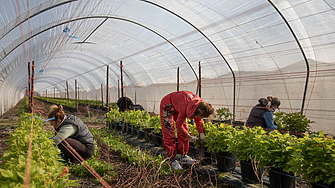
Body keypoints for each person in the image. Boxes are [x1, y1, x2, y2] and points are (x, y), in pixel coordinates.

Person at [160, 91, 214, 170]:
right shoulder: (185, 105)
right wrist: (189, 137)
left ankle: (183, 156)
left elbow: (198, 119)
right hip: (168, 105)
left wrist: (201, 134)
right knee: (169, 130)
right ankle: (172, 159)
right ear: (197, 112)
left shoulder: (200, 105)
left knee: (184, 129)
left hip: (178, 106)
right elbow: (178, 125)